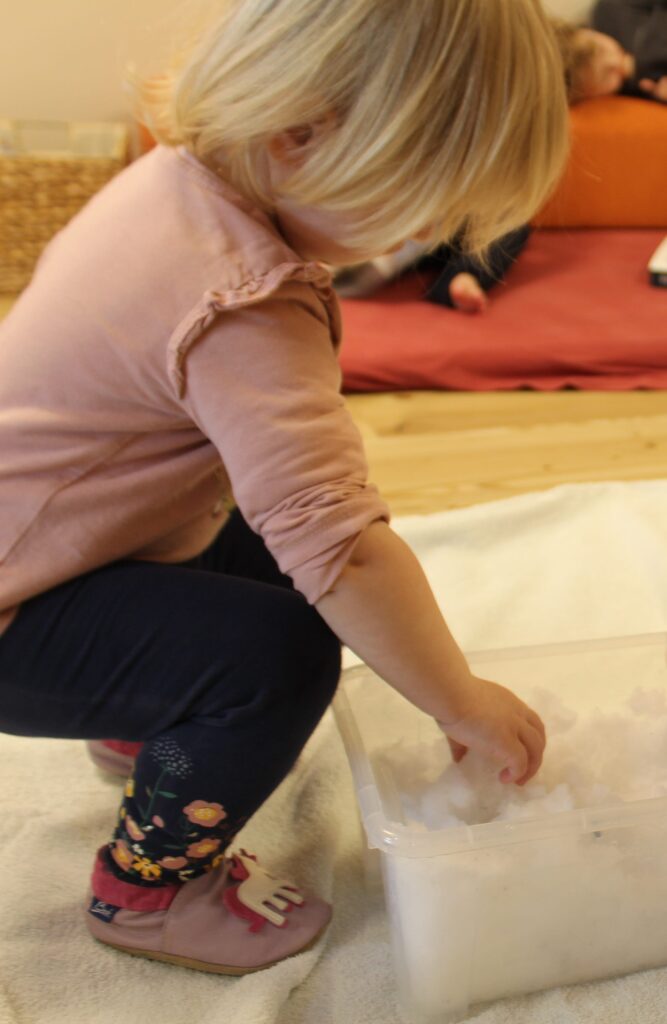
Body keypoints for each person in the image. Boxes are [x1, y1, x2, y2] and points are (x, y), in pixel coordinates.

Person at [0, 0, 567, 977]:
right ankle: (146, 892)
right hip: (20, 609)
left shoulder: (173, 181)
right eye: (422, 201)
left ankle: (144, 721)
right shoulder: (244, 300)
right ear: (300, 134)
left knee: (280, 574)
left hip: (62, 541)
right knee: (283, 654)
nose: (431, 234)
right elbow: (340, 545)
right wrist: (458, 699)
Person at [335, 4, 667, 312]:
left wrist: (634, 73)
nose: (619, 65)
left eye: (613, 77)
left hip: (447, 226)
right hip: (416, 210)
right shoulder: (602, 21)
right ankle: (376, 258)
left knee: (508, 223)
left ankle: (461, 278)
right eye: (607, 56)